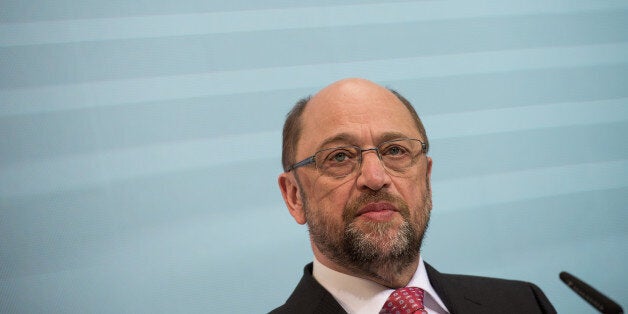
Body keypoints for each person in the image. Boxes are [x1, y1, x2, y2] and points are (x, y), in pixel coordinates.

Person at [271, 78, 556, 314]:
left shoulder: (523, 303)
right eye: (340, 156)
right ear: (294, 196)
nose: (375, 178)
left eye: (395, 151)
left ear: (427, 179)